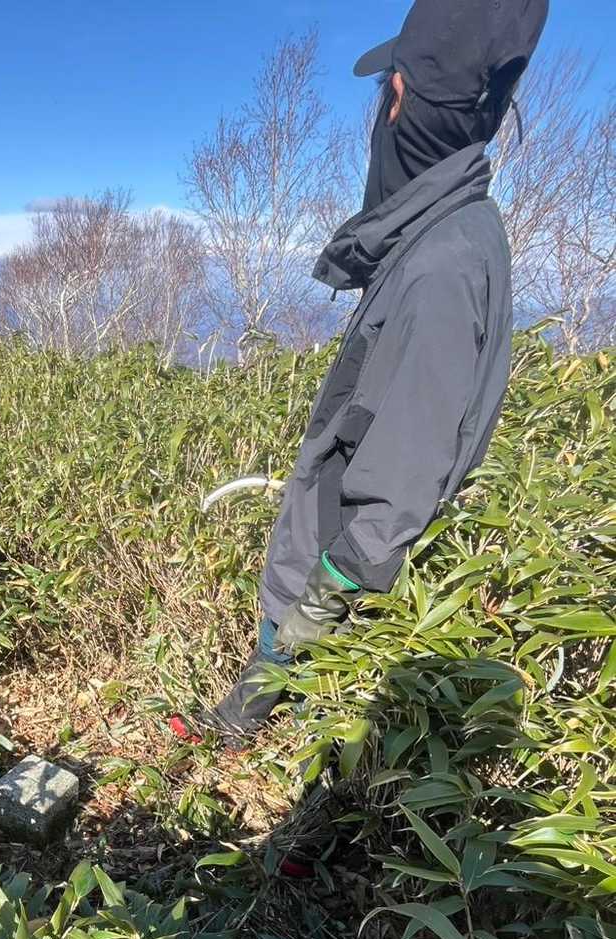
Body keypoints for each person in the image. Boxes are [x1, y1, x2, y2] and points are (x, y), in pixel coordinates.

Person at [173, 0, 549, 749]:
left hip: (336, 596)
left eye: (386, 92)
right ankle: (238, 727)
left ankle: (286, 799)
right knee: (267, 709)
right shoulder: (440, 237)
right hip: (323, 569)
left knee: (319, 765)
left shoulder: (441, 265)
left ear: (400, 100)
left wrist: (317, 608)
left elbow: (401, 479)